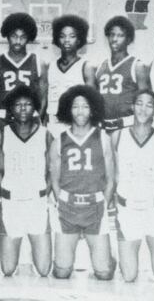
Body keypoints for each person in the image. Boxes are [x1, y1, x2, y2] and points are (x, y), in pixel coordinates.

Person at [49, 85, 116, 280]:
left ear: (93, 109)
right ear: (68, 110)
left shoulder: (103, 138)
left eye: (85, 106)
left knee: (104, 273)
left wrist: (103, 205)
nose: (80, 111)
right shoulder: (59, 140)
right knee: (61, 272)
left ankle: (108, 258)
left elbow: (111, 179)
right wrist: (61, 202)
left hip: (94, 206)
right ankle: (63, 255)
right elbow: (54, 180)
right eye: (75, 106)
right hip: (68, 207)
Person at [111, 90, 154, 282]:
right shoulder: (117, 136)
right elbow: (114, 176)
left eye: (149, 105)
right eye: (139, 103)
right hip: (128, 210)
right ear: (132, 106)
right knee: (129, 276)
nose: (143, 109)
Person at [0, 85, 53, 277]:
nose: (22, 108)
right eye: (18, 105)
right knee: (7, 269)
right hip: (12, 202)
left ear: (35, 108)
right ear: (11, 108)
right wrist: (4, 197)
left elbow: (52, 170)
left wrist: (46, 194)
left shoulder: (45, 134)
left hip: (36, 201)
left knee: (44, 269)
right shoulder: (3, 133)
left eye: (28, 104)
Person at [0, 12, 48, 126]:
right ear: (7, 36)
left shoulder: (39, 63)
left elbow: (43, 99)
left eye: (23, 37)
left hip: (31, 117)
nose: (18, 41)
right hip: (4, 118)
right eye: (14, 36)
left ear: (29, 38)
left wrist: (38, 120)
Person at [95, 16, 149, 132]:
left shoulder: (137, 66)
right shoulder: (100, 66)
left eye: (120, 35)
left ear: (129, 40)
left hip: (127, 127)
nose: (114, 39)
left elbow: (145, 102)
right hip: (103, 128)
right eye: (111, 35)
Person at [47, 14, 96, 133]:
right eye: (62, 36)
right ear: (57, 40)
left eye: (72, 36)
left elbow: (92, 101)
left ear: (79, 40)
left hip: (75, 125)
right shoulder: (50, 66)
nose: (67, 40)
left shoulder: (86, 66)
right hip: (53, 124)